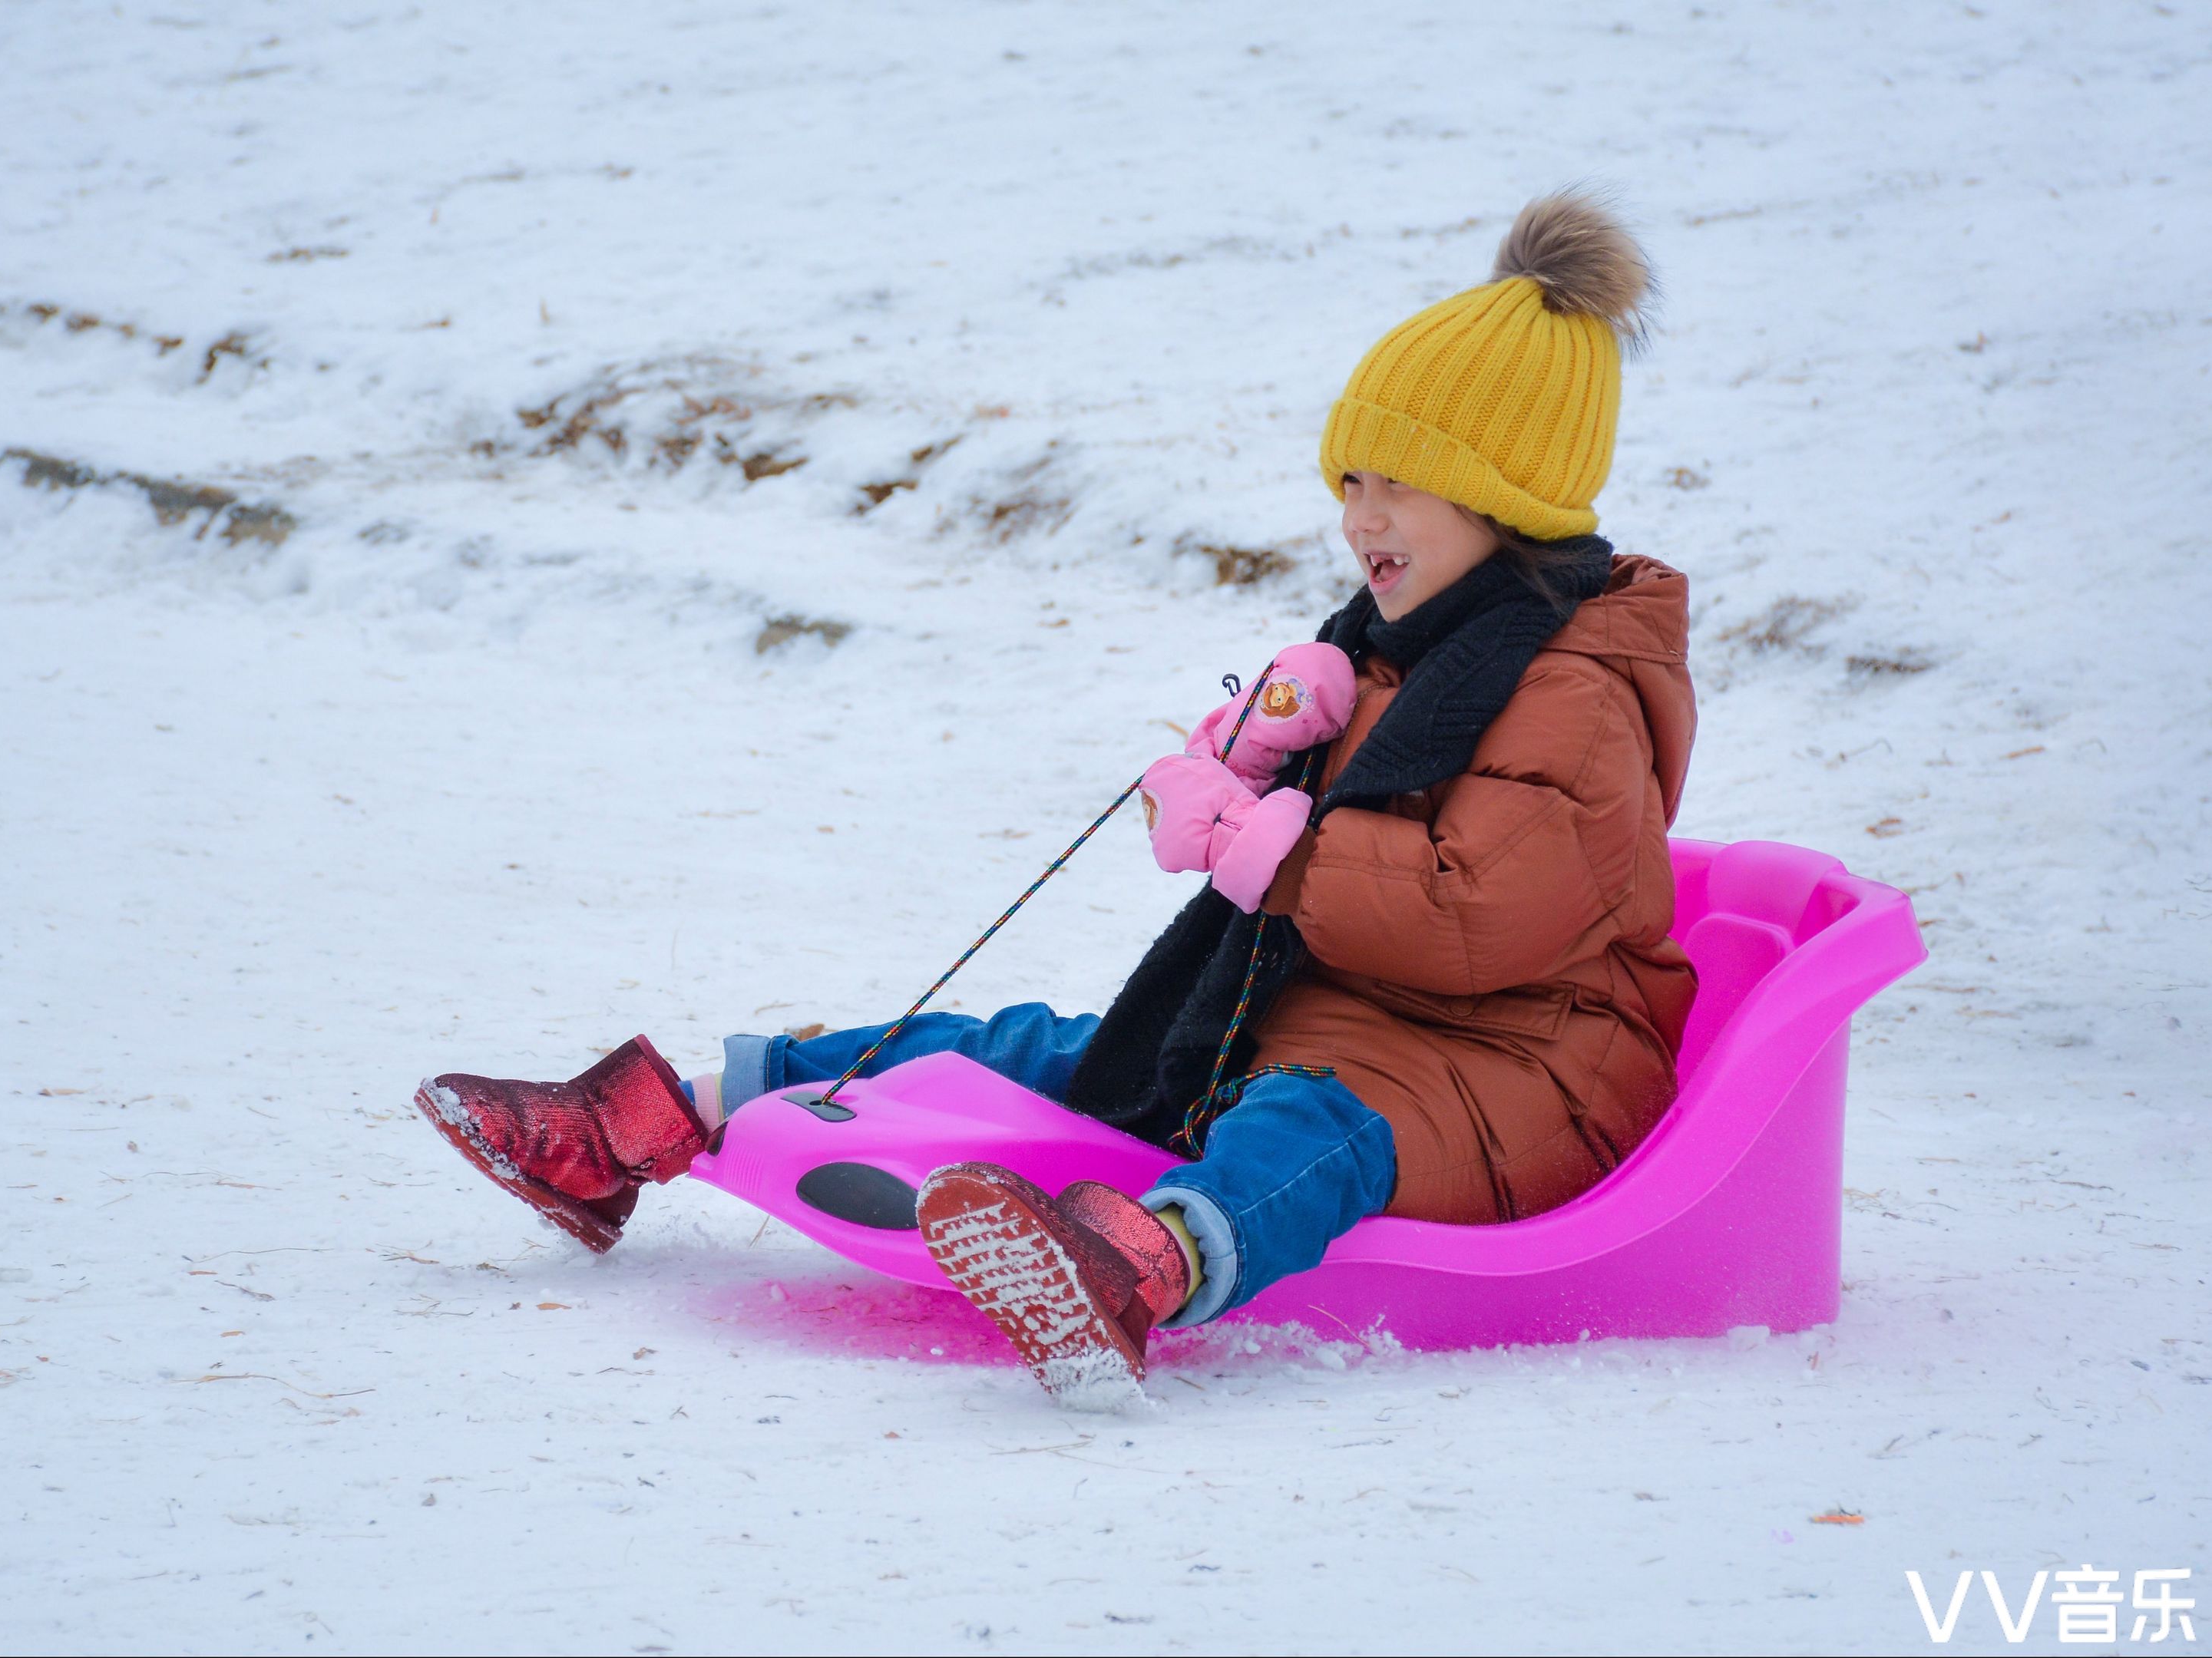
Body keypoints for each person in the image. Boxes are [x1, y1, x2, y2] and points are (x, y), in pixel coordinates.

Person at [414, 190, 1698, 1402]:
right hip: (1332, 1009)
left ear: (1506, 500)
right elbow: (1337, 836)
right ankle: (640, 1124)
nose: (1360, 517)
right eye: (1348, 481)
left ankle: (1138, 1271)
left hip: (1518, 1062)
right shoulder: (1390, 648)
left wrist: (1276, 852)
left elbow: (1473, 914)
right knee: (1051, 1054)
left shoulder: (1574, 692)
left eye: (1397, 483)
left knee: (1313, 1129)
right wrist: (1246, 763)